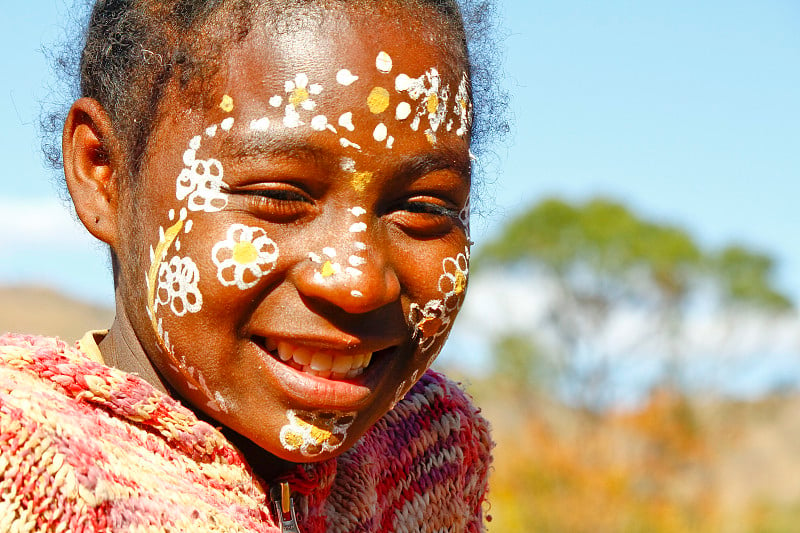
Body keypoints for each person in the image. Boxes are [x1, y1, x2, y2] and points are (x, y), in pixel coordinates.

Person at [0, 0, 499, 530]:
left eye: (425, 206)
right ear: (104, 171)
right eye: (279, 196)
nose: (358, 282)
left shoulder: (426, 451)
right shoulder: (26, 467)